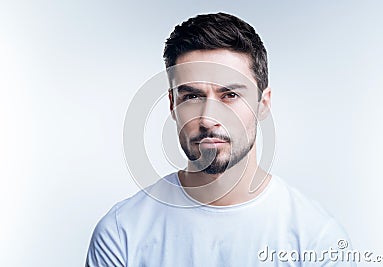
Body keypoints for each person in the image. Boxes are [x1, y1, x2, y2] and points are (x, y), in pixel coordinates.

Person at [85, 12, 355, 266]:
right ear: (172, 105)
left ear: (263, 104)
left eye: (230, 95)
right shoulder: (122, 233)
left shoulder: (317, 240)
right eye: (191, 96)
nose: (207, 118)